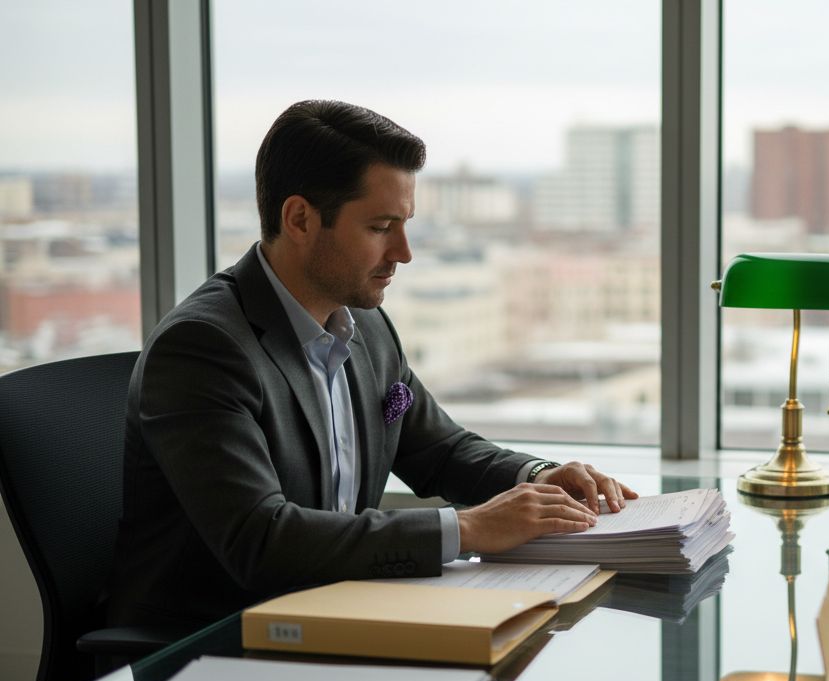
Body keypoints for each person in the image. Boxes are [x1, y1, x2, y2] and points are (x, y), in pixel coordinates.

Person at [107, 100, 636, 631]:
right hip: (215, 644)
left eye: (405, 226)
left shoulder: (366, 326)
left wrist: (540, 478)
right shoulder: (203, 347)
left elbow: (439, 450)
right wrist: (468, 529)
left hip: (340, 616)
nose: (403, 253)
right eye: (382, 226)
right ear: (299, 219)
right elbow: (260, 539)